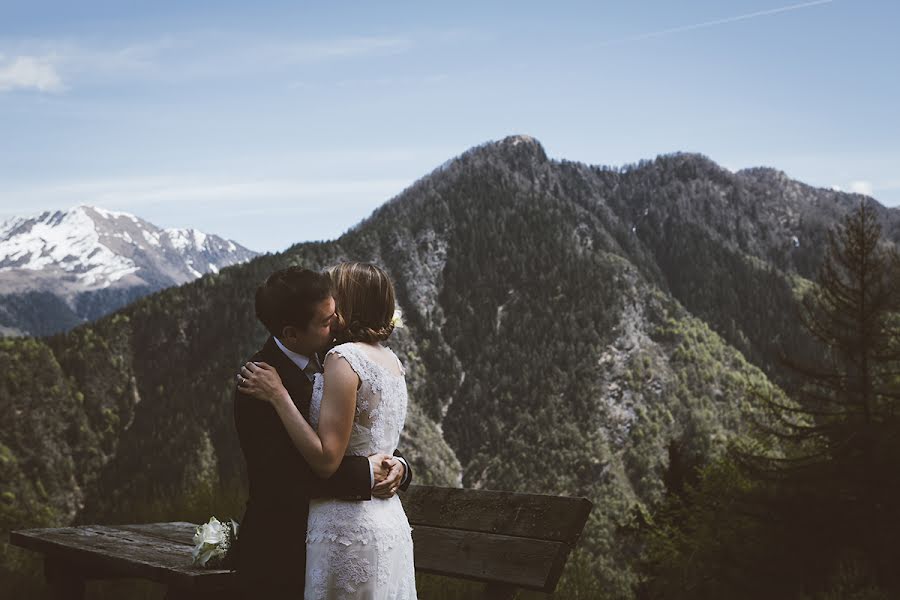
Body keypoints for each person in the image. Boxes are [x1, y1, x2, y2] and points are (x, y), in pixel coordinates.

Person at [232, 266, 413, 599]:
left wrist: (399, 466)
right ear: (291, 334)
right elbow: (281, 478)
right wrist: (365, 474)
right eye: (327, 320)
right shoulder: (258, 382)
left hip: (342, 538)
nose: (338, 323)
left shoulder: (336, 356)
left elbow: (361, 427)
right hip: (283, 550)